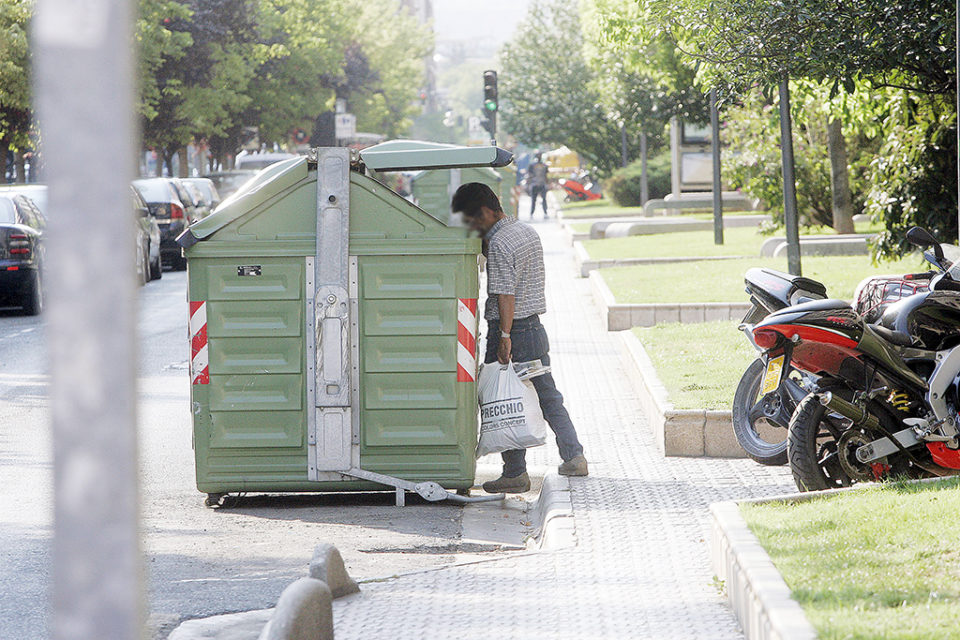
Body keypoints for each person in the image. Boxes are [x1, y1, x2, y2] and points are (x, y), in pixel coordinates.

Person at [452, 182, 588, 494]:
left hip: (512, 332)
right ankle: (573, 455)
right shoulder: (526, 231)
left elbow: (505, 294)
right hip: (535, 329)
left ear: (486, 212)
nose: (473, 228)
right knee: (548, 395)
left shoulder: (500, 242)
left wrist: (504, 336)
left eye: (474, 221)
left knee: (501, 396)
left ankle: (514, 472)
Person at [526, 154, 549, 218]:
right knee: (543, 199)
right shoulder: (544, 165)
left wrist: (528, 184)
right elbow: (546, 176)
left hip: (535, 184)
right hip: (541, 184)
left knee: (534, 200)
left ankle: (532, 213)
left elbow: (529, 175)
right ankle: (544, 213)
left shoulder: (532, 165)